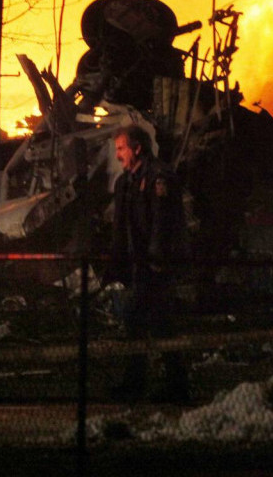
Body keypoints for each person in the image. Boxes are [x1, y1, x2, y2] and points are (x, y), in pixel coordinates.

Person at [107, 124, 190, 403]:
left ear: (137, 148)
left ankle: (170, 384)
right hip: (138, 266)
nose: (118, 155)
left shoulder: (159, 177)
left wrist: (156, 261)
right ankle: (149, 382)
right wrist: (117, 263)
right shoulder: (125, 182)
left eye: (121, 148)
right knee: (143, 322)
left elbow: (162, 224)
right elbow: (121, 228)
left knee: (156, 322)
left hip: (156, 267)